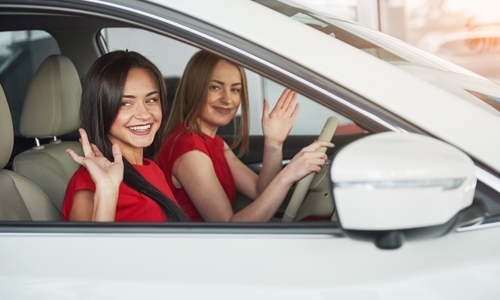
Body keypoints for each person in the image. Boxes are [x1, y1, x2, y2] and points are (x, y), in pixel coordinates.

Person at [157, 50, 331, 222]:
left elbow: (259, 190)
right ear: (193, 89)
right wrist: (288, 175)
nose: (227, 99)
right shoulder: (190, 151)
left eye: (235, 90)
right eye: (215, 87)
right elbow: (229, 228)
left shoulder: (215, 142)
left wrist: (273, 143)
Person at [62, 50, 186, 222]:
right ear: (102, 108)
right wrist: (107, 190)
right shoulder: (90, 184)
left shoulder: (151, 168)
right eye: (126, 103)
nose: (144, 115)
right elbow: (89, 249)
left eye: (151, 100)